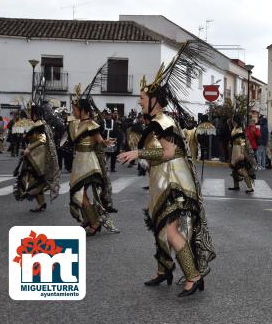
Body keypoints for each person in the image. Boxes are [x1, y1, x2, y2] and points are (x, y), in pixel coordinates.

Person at [118, 41, 216, 297]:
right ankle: (164, 270)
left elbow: (170, 152)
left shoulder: (164, 121)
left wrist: (138, 152)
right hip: (162, 180)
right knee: (161, 228)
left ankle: (193, 277)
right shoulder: (157, 121)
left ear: (153, 101)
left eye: (142, 98)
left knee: (171, 230)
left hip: (174, 182)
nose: (138, 101)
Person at [68, 66, 119, 235]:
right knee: (79, 193)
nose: (73, 111)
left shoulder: (91, 125)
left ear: (82, 110)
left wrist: (106, 142)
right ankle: (89, 219)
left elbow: (100, 142)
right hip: (79, 161)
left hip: (89, 163)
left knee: (80, 194)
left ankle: (95, 222)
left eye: (75, 109)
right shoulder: (76, 124)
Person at [12, 102, 60, 212]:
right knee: (35, 180)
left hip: (37, 156)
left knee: (34, 180)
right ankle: (41, 203)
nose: (28, 114)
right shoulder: (35, 123)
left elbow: (42, 139)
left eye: (30, 112)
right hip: (32, 156)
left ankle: (41, 203)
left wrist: (29, 148)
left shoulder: (39, 124)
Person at [228, 115, 256, 193]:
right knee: (234, 169)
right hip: (234, 150)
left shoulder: (240, 130)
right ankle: (236, 186)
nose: (232, 120)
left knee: (241, 170)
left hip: (238, 150)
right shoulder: (234, 128)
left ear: (235, 120)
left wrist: (242, 153)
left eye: (233, 119)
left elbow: (242, 142)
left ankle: (250, 188)